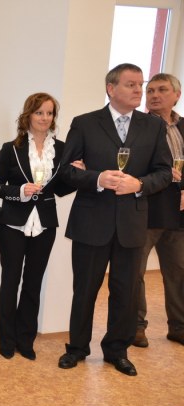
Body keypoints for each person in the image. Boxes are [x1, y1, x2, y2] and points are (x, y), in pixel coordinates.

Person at [58, 63, 171, 376]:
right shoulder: (85, 123)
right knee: (85, 290)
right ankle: (77, 348)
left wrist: (139, 184)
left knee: (126, 292)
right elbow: (66, 172)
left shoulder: (153, 126)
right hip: (91, 222)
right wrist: (97, 178)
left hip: (132, 223)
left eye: (140, 84)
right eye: (131, 84)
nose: (138, 90)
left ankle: (116, 351)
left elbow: (164, 173)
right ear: (111, 88)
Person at [0, 93, 75, 360]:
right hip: (12, 225)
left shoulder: (62, 149)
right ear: (28, 115)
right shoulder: (11, 148)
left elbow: (60, 189)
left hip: (45, 225)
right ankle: (6, 340)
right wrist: (20, 191)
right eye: (39, 112)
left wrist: (77, 174)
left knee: (33, 283)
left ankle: (25, 340)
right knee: (10, 281)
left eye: (49, 113)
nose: (45, 118)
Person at [134, 73, 184, 347]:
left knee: (178, 273)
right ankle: (136, 327)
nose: (154, 95)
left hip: (179, 214)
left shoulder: (183, 126)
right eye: (150, 90)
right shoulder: (138, 127)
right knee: (135, 273)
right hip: (147, 210)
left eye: (162, 90)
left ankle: (178, 327)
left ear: (176, 95)